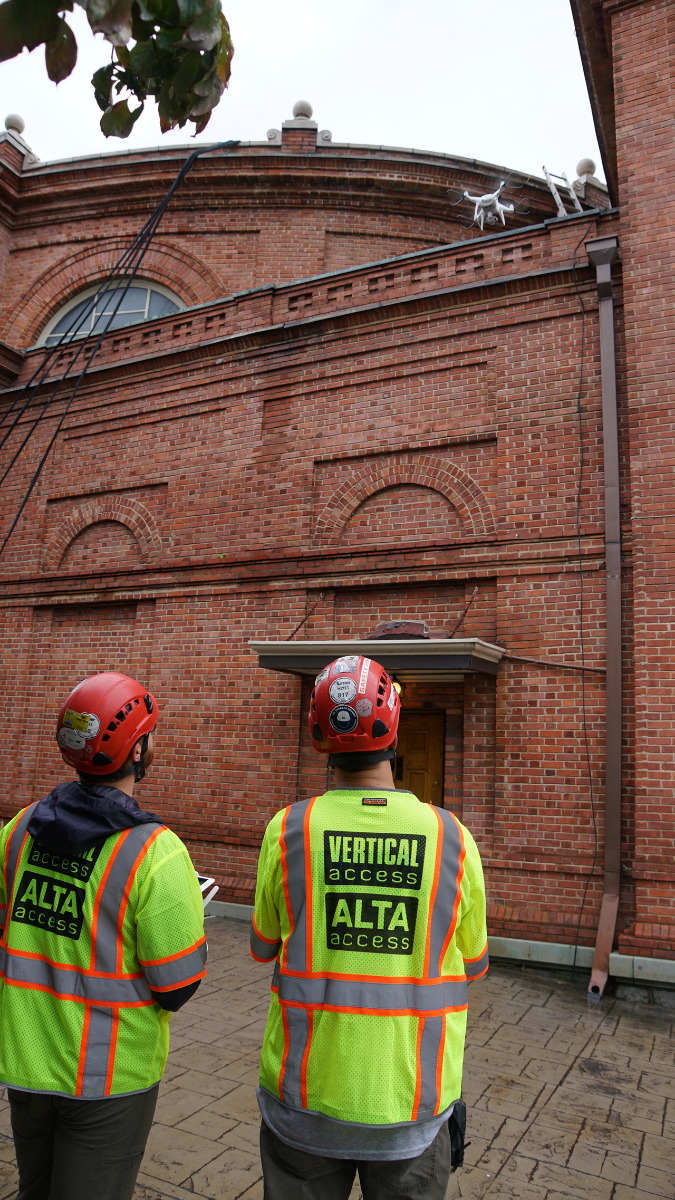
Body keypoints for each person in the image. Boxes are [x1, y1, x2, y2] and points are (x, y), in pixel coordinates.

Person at [250, 654, 488, 1200]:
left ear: (318, 732)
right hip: (412, 1107)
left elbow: (264, 945)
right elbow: (472, 963)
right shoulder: (451, 838)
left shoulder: (289, 830)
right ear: (394, 727)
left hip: (304, 1101)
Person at [0, 671, 207, 1200]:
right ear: (138, 750)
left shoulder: (20, 828)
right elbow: (177, 985)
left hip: (25, 1065)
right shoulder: (156, 853)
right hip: (107, 1079)